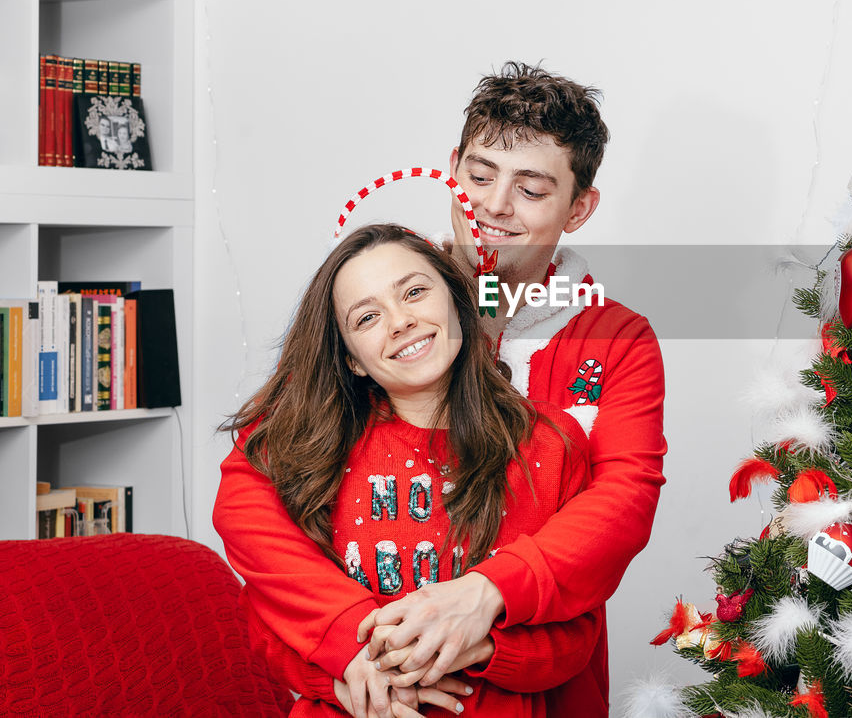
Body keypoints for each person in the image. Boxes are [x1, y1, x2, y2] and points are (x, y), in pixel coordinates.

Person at [217, 63, 666, 714]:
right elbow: (251, 493)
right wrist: (349, 645)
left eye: (531, 189)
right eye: (480, 176)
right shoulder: (384, 303)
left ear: (579, 207)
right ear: (452, 165)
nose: (493, 205)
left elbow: (621, 505)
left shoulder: (616, 337)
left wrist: (487, 592)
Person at [215, 224, 601, 717]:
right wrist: (354, 672)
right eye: (368, 317)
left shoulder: (549, 442)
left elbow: (576, 635)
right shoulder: (309, 453)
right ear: (351, 359)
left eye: (415, 292)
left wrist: (482, 648)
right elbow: (265, 618)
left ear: (457, 302)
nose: (399, 322)